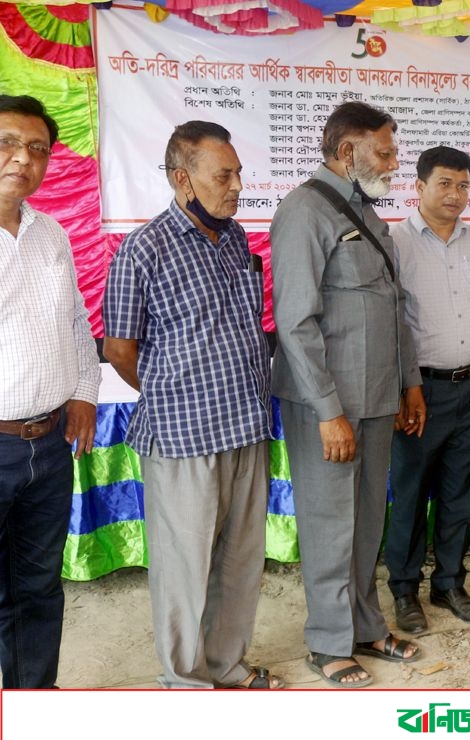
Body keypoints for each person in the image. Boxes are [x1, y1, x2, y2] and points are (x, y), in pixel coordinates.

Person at [102, 121, 280, 689]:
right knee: (184, 572)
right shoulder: (143, 249)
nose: (236, 186)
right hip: (183, 437)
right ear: (183, 179)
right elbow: (120, 349)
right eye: (223, 175)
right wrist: (171, 389)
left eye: (238, 174)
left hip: (246, 425)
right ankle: (186, 682)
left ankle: (227, 666)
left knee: (239, 562)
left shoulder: (233, 240)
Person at [271, 101, 423, 688]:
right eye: (383, 151)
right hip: (326, 405)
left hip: (380, 397)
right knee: (329, 521)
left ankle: (365, 626)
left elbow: (392, 309)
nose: (393, 160)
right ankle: (328, 642)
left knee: (363, 523)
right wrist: (328, 412)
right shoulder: (304, 210)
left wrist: (409, 384)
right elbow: (296, 323)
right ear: (345, 152)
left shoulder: (369, 212)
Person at [0, 94, 99, 688]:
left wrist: (84, 391)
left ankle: (34, 699)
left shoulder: (51, 233)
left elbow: (75, 323)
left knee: (38, 583)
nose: (23, 159)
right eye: (7, 143)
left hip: (49, 442)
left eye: (37, 149)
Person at [384, 146, 470, 634]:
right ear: (419, 187)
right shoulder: (393, 243)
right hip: (420, 393)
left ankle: (450, 581)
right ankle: (405, 589)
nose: (455, 195)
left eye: (463, 185)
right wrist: (398, 388)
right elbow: (390, 322)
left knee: (461, 493)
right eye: (444, 184)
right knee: (411, 494)